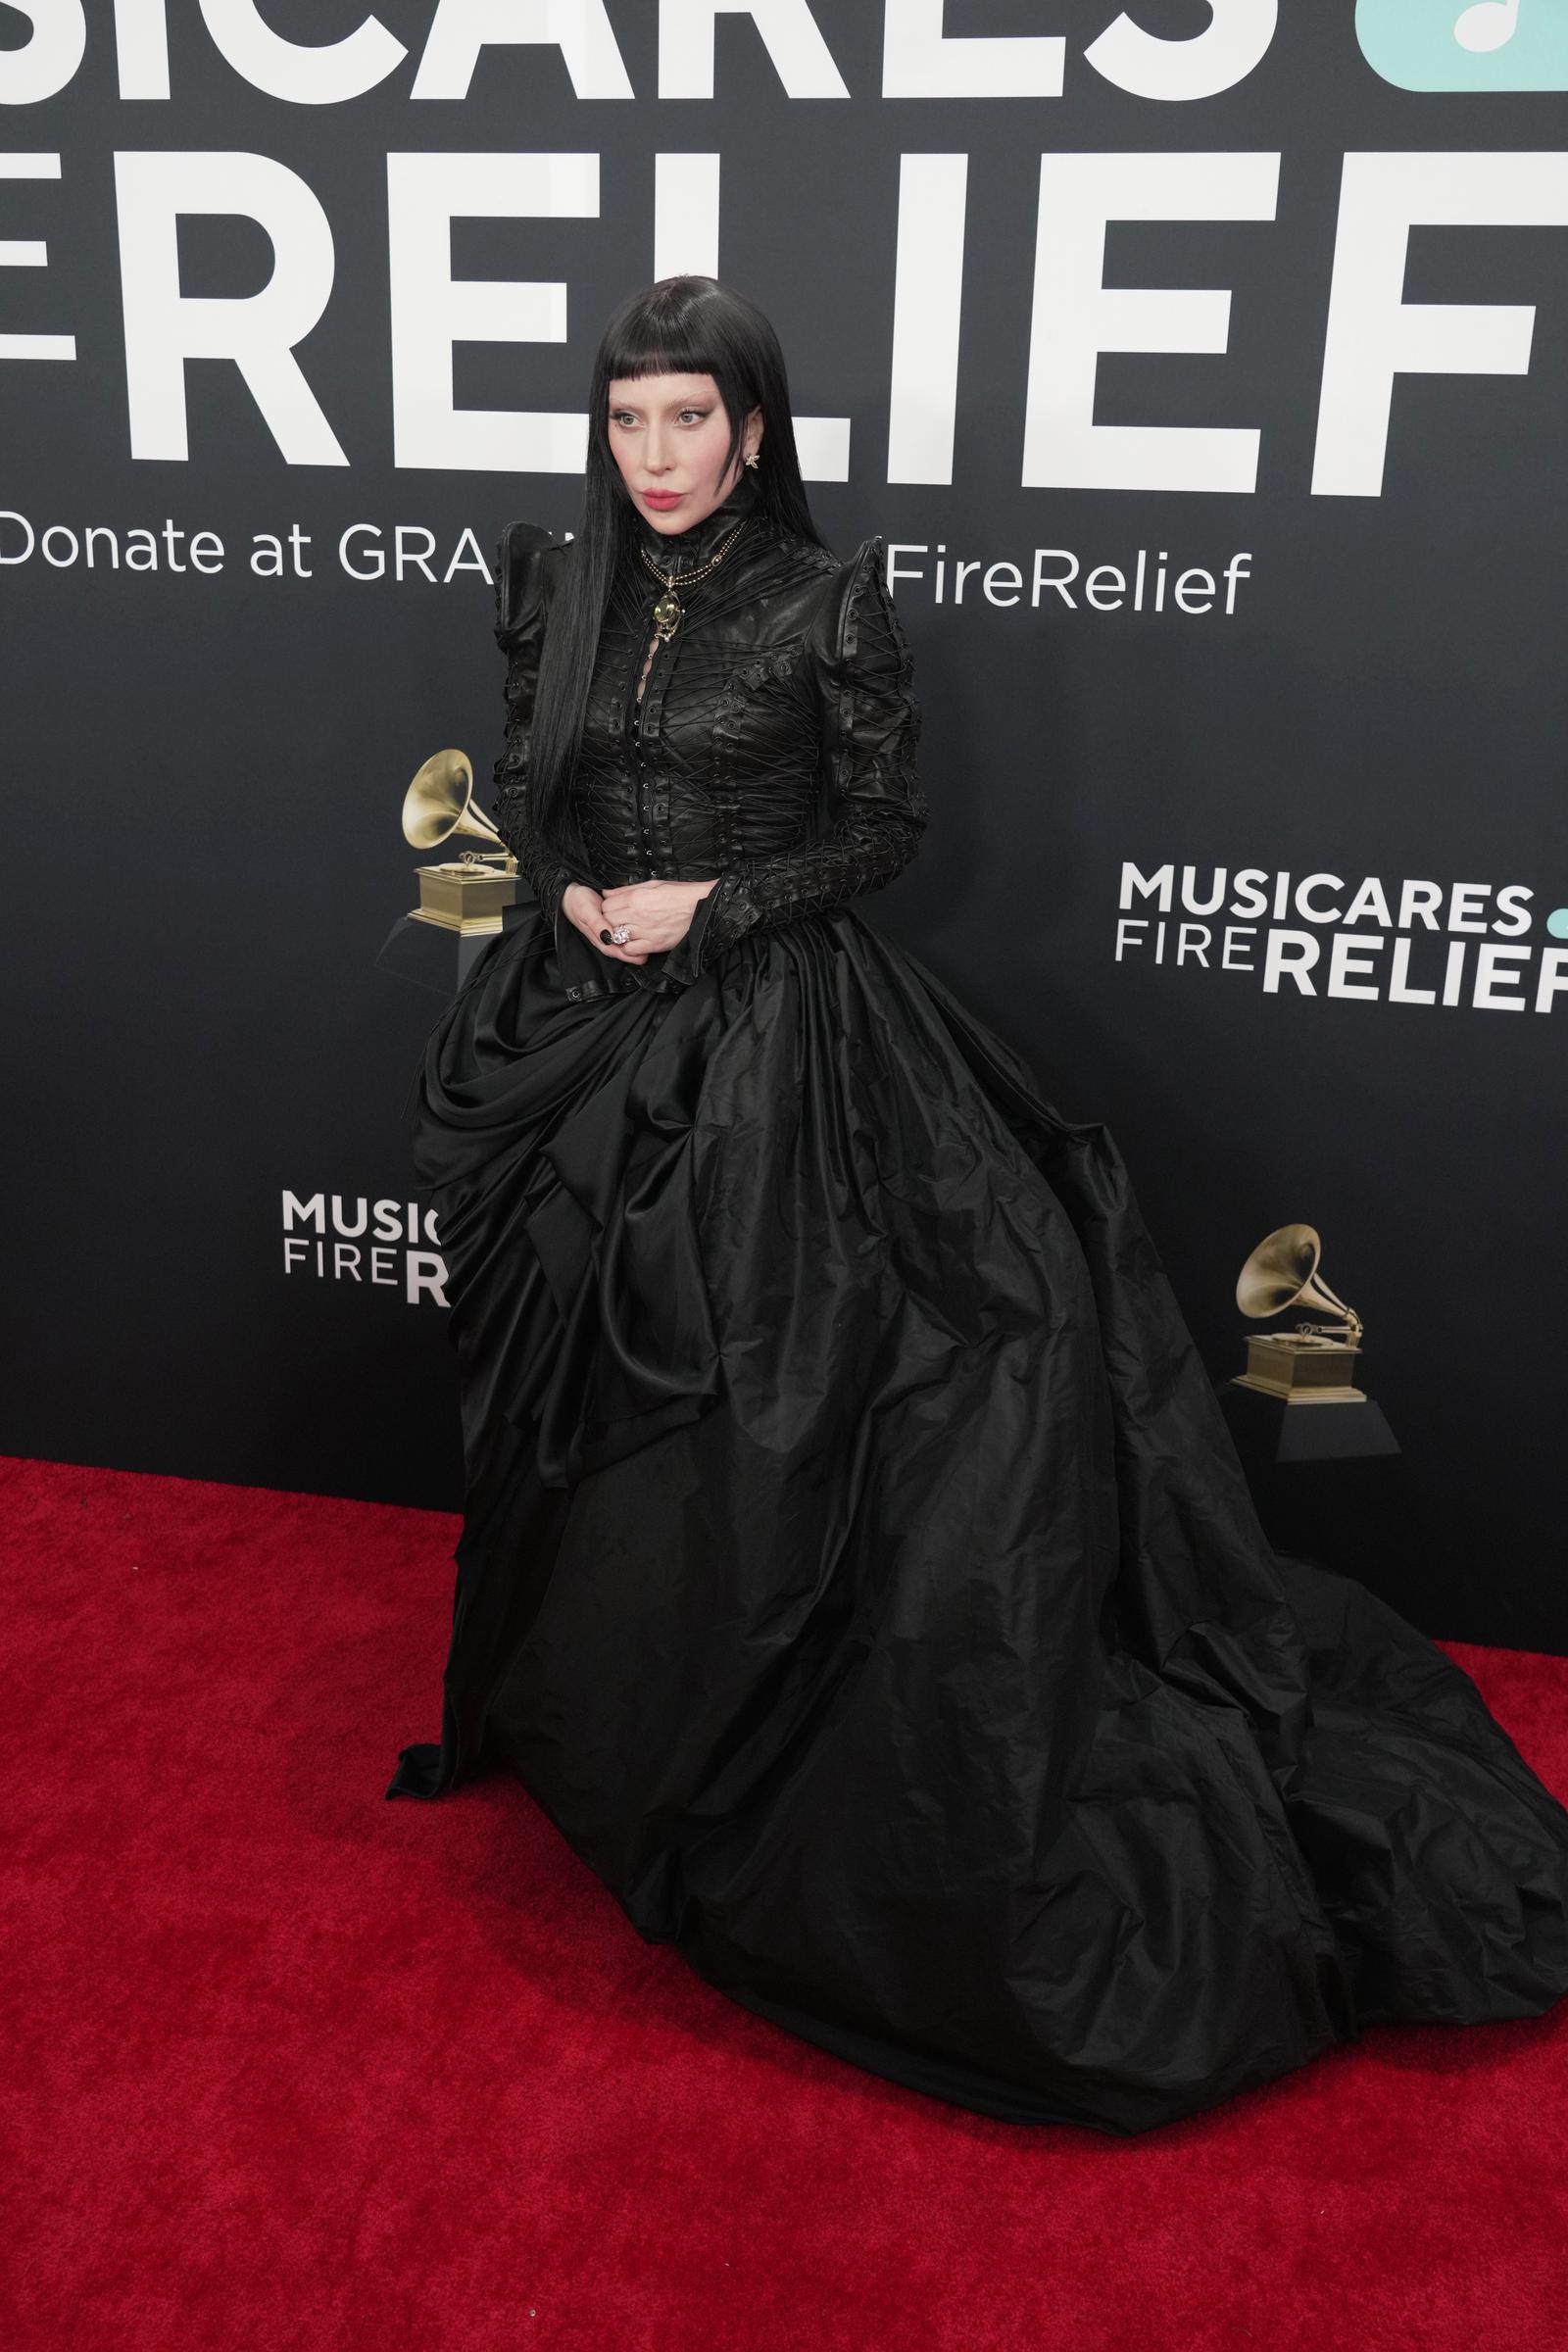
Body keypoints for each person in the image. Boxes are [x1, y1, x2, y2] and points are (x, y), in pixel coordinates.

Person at [386, 273, 1568, 2136]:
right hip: (587, 1031)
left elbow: (878, 834)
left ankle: (783, 1751)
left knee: (798, 1405)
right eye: (629, 422)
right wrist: (573, 902)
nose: (658, 456)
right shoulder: (554, 577)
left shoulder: (826, 599)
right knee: (608, 1405)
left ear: (755, 430)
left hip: (781, 1045)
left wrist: (715, 908)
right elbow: (543, 794)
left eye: (691, 420)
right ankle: (613, 1711)